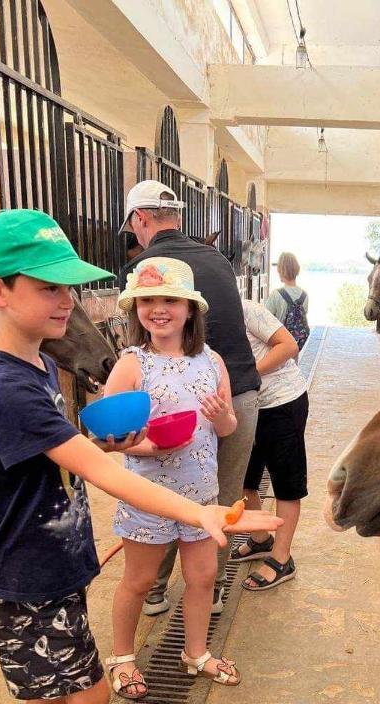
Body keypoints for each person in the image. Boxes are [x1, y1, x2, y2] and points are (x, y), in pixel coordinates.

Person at [0, 210, 280, 704]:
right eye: (48, 287)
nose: (65, 302)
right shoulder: (4, 385)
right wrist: (205, 516)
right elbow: (105, 469)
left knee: (47, 692)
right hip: (25, 575)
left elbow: (77, 453)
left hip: (51, 561)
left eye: (69, 288)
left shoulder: (40, 369)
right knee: (88, 694)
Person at [118, 180, 261, 615]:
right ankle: (209, 589)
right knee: (222, 493)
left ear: (140, 220)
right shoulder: (217, 258)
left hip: (183, 394)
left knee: (156, 485)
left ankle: (155, 588)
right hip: (236, 390)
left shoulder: (147, 267)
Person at [104, 257, 241, 698]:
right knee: (139, 581)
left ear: (189, 309)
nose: (158, 310)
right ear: (136, 309)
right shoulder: (131, 364)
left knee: (202, 577)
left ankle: (195, 653)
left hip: (201, 494)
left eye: (169, 300)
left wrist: (221, 418)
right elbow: (108, 438)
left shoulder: (211, 361)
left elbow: (228, 428)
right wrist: (152, 447)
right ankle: (122, 657)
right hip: (147, 495)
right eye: (148, 301)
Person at [232, 300, 309, 591]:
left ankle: (282, 558)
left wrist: (248, 375)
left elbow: (288, 346)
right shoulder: (196, 316)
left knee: (285, 483)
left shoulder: (246, 309)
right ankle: (263, 538)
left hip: (282, 401)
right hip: (247, 407)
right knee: (244, 478)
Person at [266, 252, 310, 351]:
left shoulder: (276, 295)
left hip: (278, 346)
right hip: (295, 346)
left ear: (281, 271)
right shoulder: (304, 295)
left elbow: (265, 321)